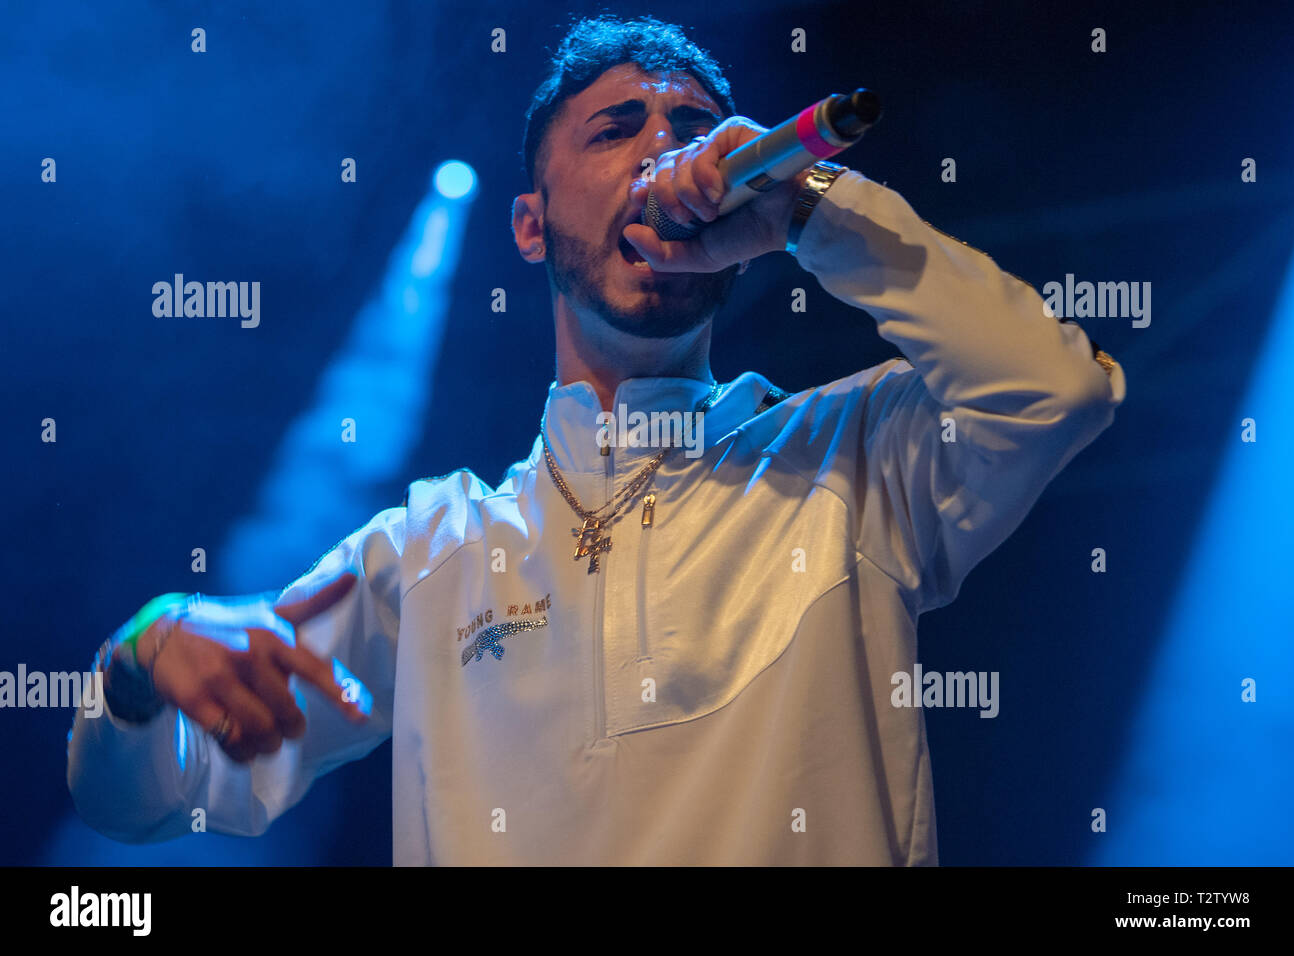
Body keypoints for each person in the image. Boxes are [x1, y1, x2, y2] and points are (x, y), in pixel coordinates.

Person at [66, 15, 1125, 864]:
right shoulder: (432, 549)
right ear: (530, 225)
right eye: (617, 128)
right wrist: (139, 659)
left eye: (696, 130)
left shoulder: (849, 456)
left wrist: (810, 207)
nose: (666, 151)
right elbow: (148, 801)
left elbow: (1054, 390)